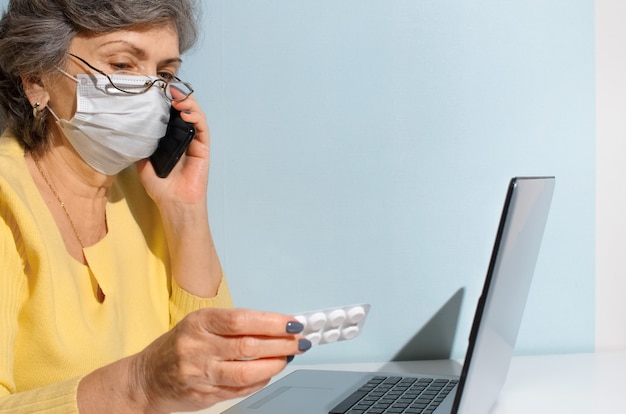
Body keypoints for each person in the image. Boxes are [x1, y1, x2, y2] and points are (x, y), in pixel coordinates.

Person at [0, 0, 312, 412]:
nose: (149, 92)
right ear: (35, 79)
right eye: (123, 65)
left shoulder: (142, 188)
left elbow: (210, 374)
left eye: (164, 74)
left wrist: (185, 209)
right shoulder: (8, 202)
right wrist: (138, 385)